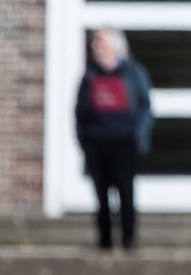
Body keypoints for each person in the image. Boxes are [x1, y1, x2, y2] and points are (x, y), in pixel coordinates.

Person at [75, 28, 153, 252]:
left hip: (125, 143)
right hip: (97, 143)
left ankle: (129, 239)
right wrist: (84, 138)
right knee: (101, 195)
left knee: (126, 193)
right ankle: (105, 240)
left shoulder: (132, 72)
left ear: (114, 46)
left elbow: (145, 106)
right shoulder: (90, 74)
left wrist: (138, 137)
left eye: (100, 42)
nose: (95, 46)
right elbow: (79, 111)